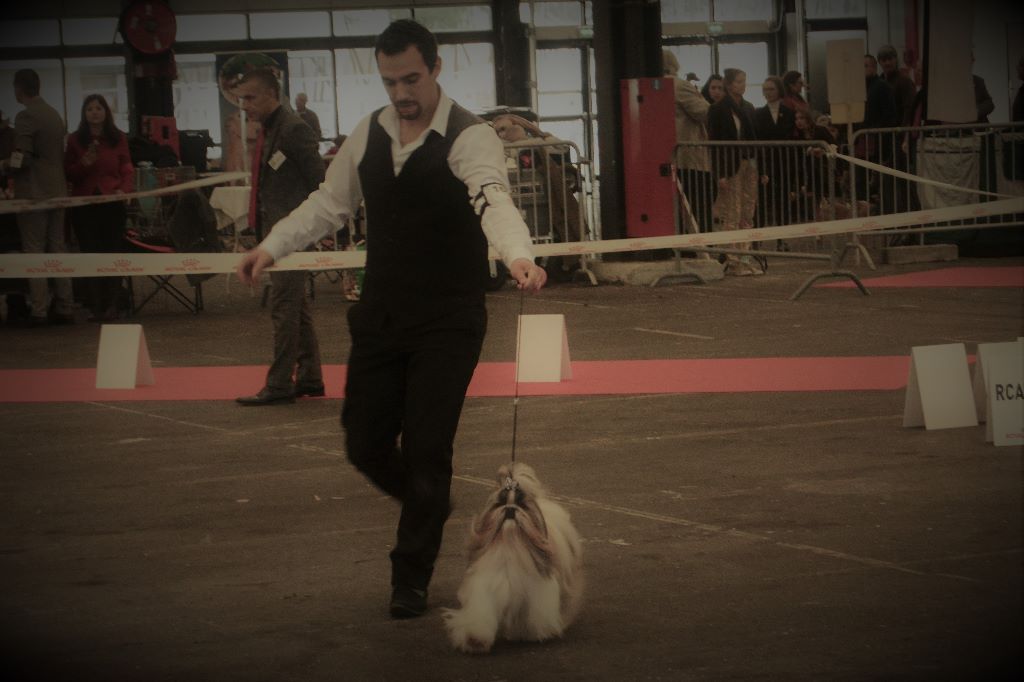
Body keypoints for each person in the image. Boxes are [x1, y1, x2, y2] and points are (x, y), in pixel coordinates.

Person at [236, 19, 546, 618]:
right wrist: (271, 247)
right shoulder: (368, 132)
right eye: (389, 81)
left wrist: (518, 256)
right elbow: (329, 202)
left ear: (434, 68)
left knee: (429, 449)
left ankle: (411, 575)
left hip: (448, 320)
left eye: (410, 78)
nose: (401, 93)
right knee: (363, 442)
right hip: (379, 313)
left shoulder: (469, 136)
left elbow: (493, 199)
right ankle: (430, 502)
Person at [234, 69, 326, 406]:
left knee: (284, 307)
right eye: (242, 98)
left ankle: (279, 384)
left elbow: (321, 183)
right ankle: (311, 378)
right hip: (275, 234)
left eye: (250, 97)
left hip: (292, 235)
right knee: (296, 307)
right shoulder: (270, 129)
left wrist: (306, 228)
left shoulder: (294, 129)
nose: (244, 105)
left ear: (272, 93)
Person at [0, 69, 75, 326]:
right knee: (58, 247)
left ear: (19, 88)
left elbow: (22, 158)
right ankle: (65, 305)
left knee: (34, 250)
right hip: (58, 190)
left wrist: (3, 165)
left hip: (34, 193)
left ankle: (39, 309)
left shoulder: (26, 116)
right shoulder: (54, 114)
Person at [64, 94, 134, 322]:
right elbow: (70, 174)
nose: (94, 112)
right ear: (84, 114)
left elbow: (127, 169)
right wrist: (84, 163)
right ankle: (94, 306)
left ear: (106, 112)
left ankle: (113, 304)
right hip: (84, 205)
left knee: (113, 252)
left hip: (112, 204)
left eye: (99, 108)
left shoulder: (118, 138)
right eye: (89, 109)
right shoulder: (75, 140)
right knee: (90, 254)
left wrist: (123, 190)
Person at [491, 112, 584, 280]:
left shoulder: (540, 142)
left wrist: (535, 133)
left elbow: (562, 148)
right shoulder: (497, 147)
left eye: (505, 128)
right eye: (498, 130)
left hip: (541, 201)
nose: (502, 133)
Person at [707, 68, 763, 276]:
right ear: (729, 85)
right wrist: (720, 173)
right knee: (732, 212)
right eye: (739, 81)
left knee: (748, 211)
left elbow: (754, 138)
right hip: (731, 165)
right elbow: (715, 143)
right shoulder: (718, 109)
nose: (743, 85)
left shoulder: (748, 107)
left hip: (749, 162)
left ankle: (745, 257)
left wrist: (762, 169)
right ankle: (732, 260)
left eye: (744, 81)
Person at [662, 49, 713, 234]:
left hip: (669, 157)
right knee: (698, 205)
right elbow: (704, 113)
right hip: (690, 157)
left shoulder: (654, 85)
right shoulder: (679, 85)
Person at [753, 76, 795, 227]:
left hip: (784, 163)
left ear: (779, 90)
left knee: (783, 203)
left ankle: (782, 240)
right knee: (763, 202)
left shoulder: (790, 113)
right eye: (765, 89)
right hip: (766, 162)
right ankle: (759, 239)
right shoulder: (758, 114)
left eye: (771, 89)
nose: (768, 92)